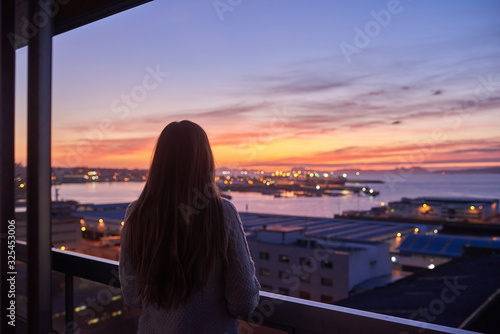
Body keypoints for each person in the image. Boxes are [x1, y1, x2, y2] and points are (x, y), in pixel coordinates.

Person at [119, 120, 260, 333]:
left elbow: (132, 294)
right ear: (205, 161)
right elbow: (243, 301)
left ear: (158, 162)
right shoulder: (223, 214)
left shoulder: (137, 214)